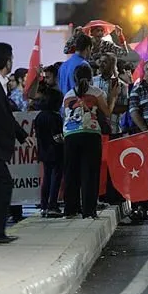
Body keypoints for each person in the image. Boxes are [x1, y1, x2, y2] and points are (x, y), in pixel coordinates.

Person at [0, 43, 35, 245]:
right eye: (11, 57)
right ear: (6, 60)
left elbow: (5, 116)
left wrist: (22, 135)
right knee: (3, 184)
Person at [63, 63, 114, 219]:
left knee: (72, 173)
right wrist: (115, 96)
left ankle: (71, 209)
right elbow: (107, 112)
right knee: (90, 173)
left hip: (70, 135)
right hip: (90, 134)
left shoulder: (68, 94)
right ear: (91, 77)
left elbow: (64, 115)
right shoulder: (97, 92)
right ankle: (89, 210)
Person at [34, 88, 65, 218]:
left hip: (43, 151)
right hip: (56, 151)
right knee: (56, 178)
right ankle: (53, 205)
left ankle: (44, 205)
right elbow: (57, 136)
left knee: (46, 178)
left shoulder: (39, 116)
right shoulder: (55, 117)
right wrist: (65, 143)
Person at [93, 53, 129, 137]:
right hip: (95, 130)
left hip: (114, 130)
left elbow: (124, 107)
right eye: (100, 61)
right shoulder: (93, 81)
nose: (101, 65)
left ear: (112, 65)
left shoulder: (121, 85)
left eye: (104, 62)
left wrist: (102, 107)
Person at [64, 24, 129, 62]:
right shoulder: (85, 43)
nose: (100, 33)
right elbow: (66, 50)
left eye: (102, 31)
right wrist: (74, 36)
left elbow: (124, 53)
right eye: (98, 30)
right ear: (91, 33)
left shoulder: (107, 45)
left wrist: (120, 36)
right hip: (86, 74)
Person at [59, 32, 92, 96]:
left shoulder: (63, 66)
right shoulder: (84, 65)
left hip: (64, 104)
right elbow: (88, 91)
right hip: (78, 104)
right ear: (88, 48)